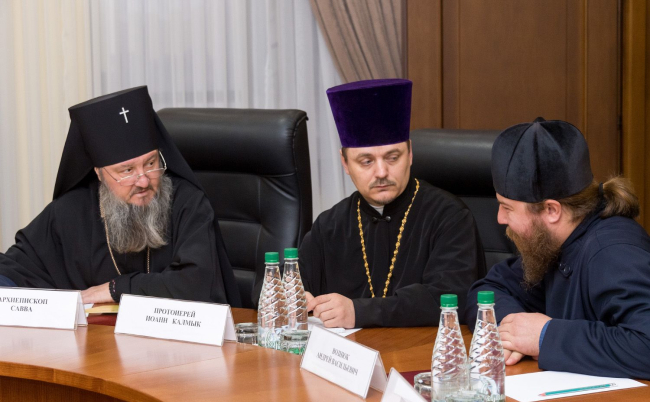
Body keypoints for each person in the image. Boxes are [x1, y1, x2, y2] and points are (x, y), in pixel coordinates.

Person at [0, 86, 241, 307]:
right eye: (127, 171)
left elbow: (198, 284)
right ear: (99, 173)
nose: (143, 181)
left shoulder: (188, 203)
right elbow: (13, 270)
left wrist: (115, 289)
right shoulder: (70, 211)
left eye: (151, 163)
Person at [465, 117, 650, 379]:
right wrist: (513, 331)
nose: (500, 218)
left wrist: (544, 336)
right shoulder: (556, 241)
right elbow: (487, 290)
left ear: (552, 210)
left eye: (507, 207)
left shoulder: (612, 252)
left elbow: (645, 343)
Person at [299, 79, 485, 328]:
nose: (381, 172)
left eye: (392, 157)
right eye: (366, 161)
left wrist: (358, 312)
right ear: (345, 163)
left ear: (410, 154)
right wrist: (293, 297)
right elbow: (278, 281)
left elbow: (450, 299)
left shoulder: (450, 216)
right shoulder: (330, 225)